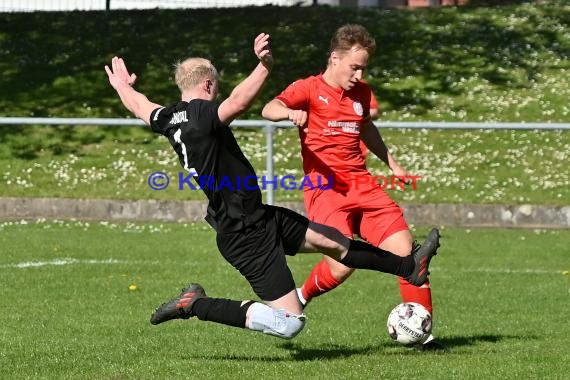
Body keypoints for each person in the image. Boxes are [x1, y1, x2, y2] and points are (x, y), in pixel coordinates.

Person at [104, 33, 440, 340]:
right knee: (290, 322)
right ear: (208, 85)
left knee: (335, 242)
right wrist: (264, 66)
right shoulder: (202, 114)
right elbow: (238, 102)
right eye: (216, 88)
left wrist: (121, 86)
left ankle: (408, 267)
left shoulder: (170, 118)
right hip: (244, 233)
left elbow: (139, 106)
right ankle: (195, 304)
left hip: (255, 217)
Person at [261, 24, 444, 349]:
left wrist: (392, 162)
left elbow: (366, 129)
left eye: (363, 68)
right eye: (354, 67)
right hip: (326, 190)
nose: (359, 75)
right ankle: (303, 295)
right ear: (335, 58)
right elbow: (268, 108)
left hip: (363, 186)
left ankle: (423, 337)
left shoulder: (361, 92)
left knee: (410, 255)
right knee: (342, 266)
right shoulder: (308, 88)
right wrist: (289, 113)